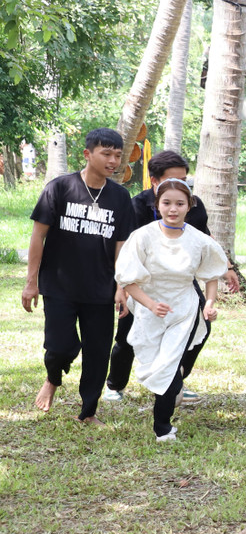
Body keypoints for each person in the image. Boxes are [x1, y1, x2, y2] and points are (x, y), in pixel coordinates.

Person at [105, 150, 240, 406]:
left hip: (180, 281)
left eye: (184, 180)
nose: (180, 187)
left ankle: (175, 378)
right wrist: (121, 286)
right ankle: (116, 384)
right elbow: (124, 247)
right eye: (172, 180)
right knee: (128, 334)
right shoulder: (136, 206)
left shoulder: (194, 205)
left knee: (201, 324)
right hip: (143, 282)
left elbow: (205, 239)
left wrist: (227, 266)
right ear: (155, 182)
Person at [23, 128, 136, 422]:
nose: (113, 161)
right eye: (106, 154)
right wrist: (30, 282)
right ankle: (53, 378)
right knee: (59, 346)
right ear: (87, 154)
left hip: (100, 288)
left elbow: (122, 244)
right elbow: (38, 236)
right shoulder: (60, 188)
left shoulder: (121, 197)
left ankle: (88, 412)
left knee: (98, 354)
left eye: (117, 155)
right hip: (59, 284)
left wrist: (121, 286)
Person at [113, 179, 229, 442]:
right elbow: (128, 280)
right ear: (158, 205)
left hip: (184, 310)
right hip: (148, 308)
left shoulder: (199, 240)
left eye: (180, 203)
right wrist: (151, 304)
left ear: (189, 206)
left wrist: (209, 303)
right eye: (167, 203)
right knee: (158, 367)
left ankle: (162, 427)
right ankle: (173, 385)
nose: (173, 209)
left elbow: (212, 274)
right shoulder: (142, 236)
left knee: (168, 367)